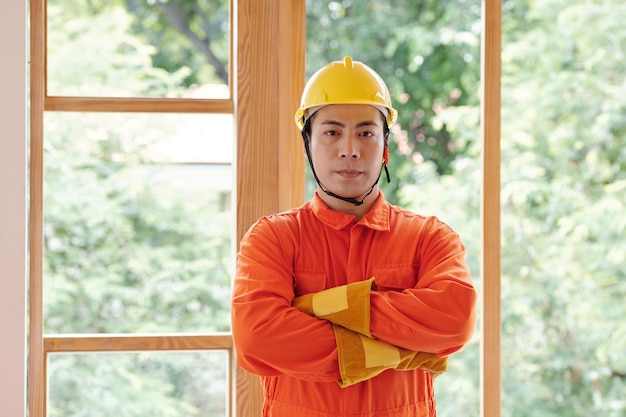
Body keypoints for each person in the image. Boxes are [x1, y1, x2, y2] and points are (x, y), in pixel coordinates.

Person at [231, 56, 477, 417]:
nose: (350, 149)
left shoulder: (430, 238)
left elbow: (454, 319)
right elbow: (258, 338)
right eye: (332, 132)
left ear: (385, 147)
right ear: (307, 145)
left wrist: (317, 309)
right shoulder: (273, 239)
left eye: (366, 133)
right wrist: (399, 345)